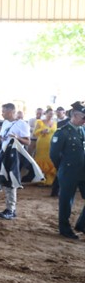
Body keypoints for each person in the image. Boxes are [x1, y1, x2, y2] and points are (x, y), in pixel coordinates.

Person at [49, 101, 85, 240]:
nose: (84, 121)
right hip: (68, 172)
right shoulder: (62, 132)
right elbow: (54, 155)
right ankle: (64, 229)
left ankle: (82, 225)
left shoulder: (82, 130)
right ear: (75, 116)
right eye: (83, 118)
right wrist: (63, 167)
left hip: (82, 171)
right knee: (66, 202)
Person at [0, 103, 33, 220]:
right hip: (4, 153)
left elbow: (28, 142)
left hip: (14, 155)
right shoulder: (5, 123)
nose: (2, 113)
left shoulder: (22, 124)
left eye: (4, 111)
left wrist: (17, 137)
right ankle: (9, 208)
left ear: (11, 111)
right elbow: (3, 139)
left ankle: (11, 209)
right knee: (4, 179)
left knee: (11, 180)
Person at [33, 108, 57, 186]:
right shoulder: (39, 122)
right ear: (46, 114)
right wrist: (41, 131)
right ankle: (41, 179)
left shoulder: (55, 123)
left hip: (51, 144)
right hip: (42, 143)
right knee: (41, 159)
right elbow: (34, 133)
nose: (51, 115)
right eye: (49, 113)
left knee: (50, 159)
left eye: (52, 114)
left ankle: (50, 180)